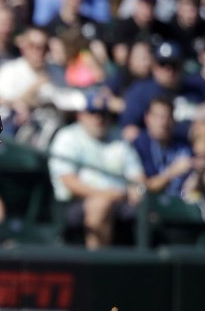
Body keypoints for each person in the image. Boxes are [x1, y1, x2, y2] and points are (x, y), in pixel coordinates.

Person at [48, 94, 146, 249]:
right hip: (75, 202)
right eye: (92, 113)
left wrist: (137, 191)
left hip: (120, 200)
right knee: (100, 205)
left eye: (103, 114)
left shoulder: (118, 138)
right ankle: (97, 266)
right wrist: (105, 195)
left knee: (147, 206)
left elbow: (137, 177)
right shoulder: (68, 137)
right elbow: (69, 182)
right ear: (81, 116)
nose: (98, 119)